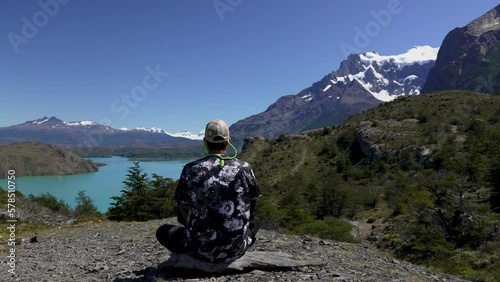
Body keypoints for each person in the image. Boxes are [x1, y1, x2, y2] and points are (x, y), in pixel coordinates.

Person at [156, 119, 261, 263]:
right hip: (235, 250)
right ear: (229, 140)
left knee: (163, 231)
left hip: (198, 249)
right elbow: (252, 210)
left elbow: (182, 215)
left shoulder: (191, 169)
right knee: (255, 224)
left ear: (205, 141)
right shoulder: (244, 168)